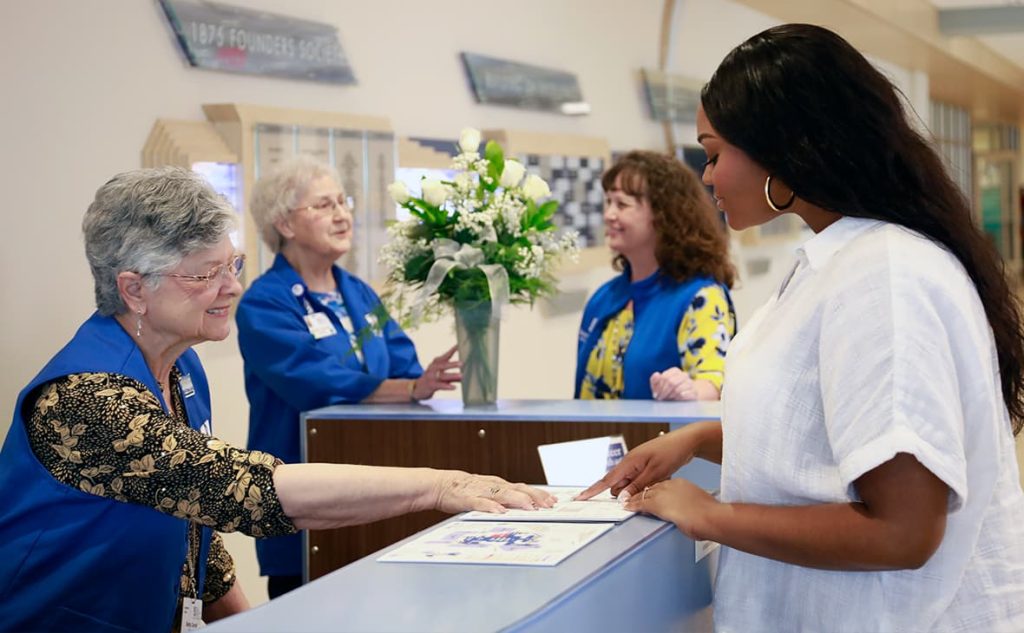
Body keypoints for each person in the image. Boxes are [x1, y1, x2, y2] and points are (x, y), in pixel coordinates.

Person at [579, 24, 1024, 632]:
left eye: (713, 155)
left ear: (782, 150)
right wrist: (700, 440)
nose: (707, 177)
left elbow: (903, 531)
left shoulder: (883, 276)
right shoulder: (835, 260)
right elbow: (822, 446)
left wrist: (708, 514)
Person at [0, 167, 554, 633]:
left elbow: (197, 528)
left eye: (233, 266)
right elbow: (242, 489)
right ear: (134, 289)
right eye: (205, 274)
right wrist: (439, 485)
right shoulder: (85, 401)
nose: (232, 287)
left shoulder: (180, 366)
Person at [236, 156, 466, 597]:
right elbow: (316, 382)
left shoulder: (356, 291)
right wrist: (406, 389)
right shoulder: (264, 304)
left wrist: (420, 384)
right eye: (324, 205)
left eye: (344, 202)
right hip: (306, 502)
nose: (342, 215)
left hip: (379, 490)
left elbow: (402, 362)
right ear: (284, 223)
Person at [575, 150, 736, 401]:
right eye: (607, 202)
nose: (609, 215)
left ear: (664, 215)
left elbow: (714, 382)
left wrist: (689, 390)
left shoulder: (700, 297)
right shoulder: (603, 298)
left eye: (622, 204)